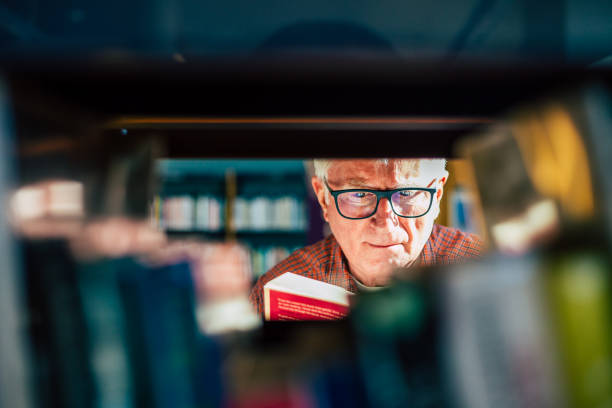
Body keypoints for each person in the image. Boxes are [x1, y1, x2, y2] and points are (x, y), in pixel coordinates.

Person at [249, 158, 483, 314]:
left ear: (438, 196)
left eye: (408, 192)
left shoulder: (485, 268)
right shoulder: (275, 293)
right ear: (323, 199)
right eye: (359, 194)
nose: (385, 224)